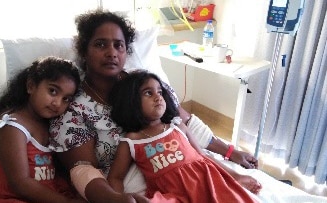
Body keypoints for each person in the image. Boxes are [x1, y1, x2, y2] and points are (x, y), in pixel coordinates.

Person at [48, 9, 258, 202]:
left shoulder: (145, 84)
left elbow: (183, 121)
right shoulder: (73, 110)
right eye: (100, 44)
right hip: (128, 191)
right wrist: (115, 199)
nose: (111, 52)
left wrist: (230, 152)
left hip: (186, 171)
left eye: (118, 45)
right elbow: (83, 171)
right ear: (84, 51)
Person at [107, 70, 261, 202]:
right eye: (148, 93)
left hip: (205, 182)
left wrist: (235, 176)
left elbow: (203, 156)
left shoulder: (177, 126)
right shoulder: (132, 141)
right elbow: (115, 177)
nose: (158, 97)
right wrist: (119, 198)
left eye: (160, 92)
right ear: (131, 102)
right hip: (172, 194)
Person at [0, 56, 85, 203]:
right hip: (9, 198)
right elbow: (20, 183)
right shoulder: (12, 126)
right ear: (31, 86)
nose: (57, 103)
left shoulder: (52, 126)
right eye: (53, 91)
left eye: (66, 99)